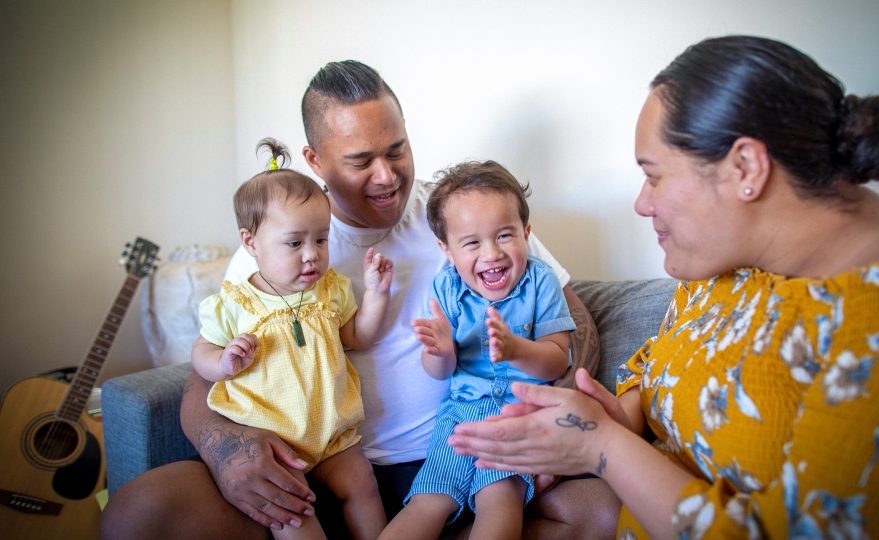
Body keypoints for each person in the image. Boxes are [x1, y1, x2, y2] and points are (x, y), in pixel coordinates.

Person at [448, 34, 879, 539]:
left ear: (745, 168)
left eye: (654, 176)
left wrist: (600, 447)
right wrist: (604, 418)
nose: (641, 204)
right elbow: (656, 376)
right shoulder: (721, 269)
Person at [101, 61, 615, 539]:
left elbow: (571, 324)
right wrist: (229, 454)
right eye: (360, 160)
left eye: (397, 150)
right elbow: (203, 376)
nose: (387, 176)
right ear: (314, 159)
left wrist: (554, 429)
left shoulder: (466, 216)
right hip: (315, 467)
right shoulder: (278, 239)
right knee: (139, 513)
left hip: (467, 450)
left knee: (600, 510)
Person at [190, 138, 391, 539]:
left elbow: (359, 337)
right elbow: (201, 353)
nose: (312, 254)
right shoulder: (235, 302)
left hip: (333, 435)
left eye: (321, 239)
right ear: (251, 243)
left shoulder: (330, 289)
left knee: (364, 486)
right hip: (273, 442)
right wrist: (224, 361)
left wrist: (377, 295)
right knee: (292, 515)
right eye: (295, 243)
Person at [381, 161, 575, 539]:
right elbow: (439, 372)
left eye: (505, 236)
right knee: (429, 499)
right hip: (459, 416)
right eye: (472, 243)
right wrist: (439, 352)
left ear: (526, 232)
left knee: (498, 496)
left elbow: (557, 358)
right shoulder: (446, 287)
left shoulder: (540, 281)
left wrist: (517, 349)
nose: (492, 254)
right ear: (447, 250)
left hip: (520, 415)